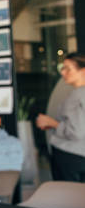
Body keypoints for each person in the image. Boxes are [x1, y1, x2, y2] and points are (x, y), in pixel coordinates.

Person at [36, 52, 85, 182]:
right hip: (78, 156)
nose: (63, 72)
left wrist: (53, 123)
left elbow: (77, 132)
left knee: (69, 199)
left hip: (71, 157)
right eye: (62, 68)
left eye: (68, 69)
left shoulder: (78, 95)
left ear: (83, 71)